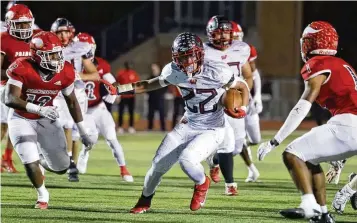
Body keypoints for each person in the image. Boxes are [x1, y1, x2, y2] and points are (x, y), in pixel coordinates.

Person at [115, 32, 250, 213]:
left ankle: (202, 183)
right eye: (182, 57)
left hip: (212, 127)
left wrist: (244, 107)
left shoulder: (217, 70)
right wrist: (120, 89)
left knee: (187, 159)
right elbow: (148, 84)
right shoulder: (174, 71)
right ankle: (144, 202)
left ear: (200, 54)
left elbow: (242, 86)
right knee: (157, 166)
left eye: (190, 56)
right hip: (188, 124)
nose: (186, 61)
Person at [257, 21, 357, 222]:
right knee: (310, 159)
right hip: (349, 125)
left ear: (309, 43)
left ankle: (309, 206)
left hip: (348, 124)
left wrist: (275, 140)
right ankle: (322, 214)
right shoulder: (343, 65)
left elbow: (303, 106)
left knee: (292, 154)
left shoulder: (318, 64)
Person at [4, 31, 95, 209]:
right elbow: (10, 99)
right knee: (29, 160)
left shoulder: (66, 70)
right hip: (21, 117)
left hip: (47, 119)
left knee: (62, 167)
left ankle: (39, 159)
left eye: (58, 53)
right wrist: (38, 109)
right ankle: (42, 194)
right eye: (51, 54)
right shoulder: (22, 67)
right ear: (36, 55)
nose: (56, 58)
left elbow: (72, 101)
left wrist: (83, 132)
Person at [203, 15, 259, 196]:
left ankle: (215, 159)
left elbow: (248, 76)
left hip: (234, 98)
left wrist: (244, 98)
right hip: (214, 100)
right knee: (224, 142)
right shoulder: (203, 51)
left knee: (236, 146)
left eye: (226, 33)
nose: (223, 37)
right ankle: (230, 184)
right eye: (219, 34)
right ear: (210, 34)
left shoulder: (242, 49)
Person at [75, 32, 133, 182]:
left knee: (112, 138)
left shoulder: (101, 64)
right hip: (84, 111)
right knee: (91, 140)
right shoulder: (70, 64)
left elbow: (112, 83)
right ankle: (85, 153)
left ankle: (124, 169)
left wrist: (113, 94)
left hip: (99, 107)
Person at [51, 18, 99, 182]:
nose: (63, 35)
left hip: (78, 91)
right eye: (59, 32)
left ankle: (74, 164)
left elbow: (95, 74)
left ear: (71, 32)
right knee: (66, 124)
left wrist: (78, 75)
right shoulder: (50, 47)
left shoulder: (81, 48)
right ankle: (70, 161)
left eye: (65, 31)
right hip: (59, 92)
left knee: (77, 132)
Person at [0, 4, 42, 173]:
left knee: (17, 125)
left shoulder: (36, 39)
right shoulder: (3, 39)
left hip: (27, 90)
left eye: (27, 23)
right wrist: (17, 73)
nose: (25, 28)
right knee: (3, 126)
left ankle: (8, 158)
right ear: (10, 24)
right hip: (6, 88)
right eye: (20, 24)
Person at [116, 61, 140, 134]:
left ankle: (131, 127)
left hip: (131, 96)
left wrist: (137, 91)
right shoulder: (121, 73)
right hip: (123, 96)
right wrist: (118, 95)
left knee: (131, 112)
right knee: (121, 112)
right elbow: (117, 83)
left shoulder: (134, 73)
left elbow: (137, 84)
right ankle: (120, 127)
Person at [147, 63, 166, 131]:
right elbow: (146, 88)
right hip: (152, 99)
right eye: (153, 69)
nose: (153, 70)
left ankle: (163, 128)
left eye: (155, 68)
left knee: (161, 114)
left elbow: (165, 88)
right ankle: (150, 127)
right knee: (150, 114)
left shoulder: (162, 78)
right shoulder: (149, 79)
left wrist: (160, 93)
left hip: (160, 99)